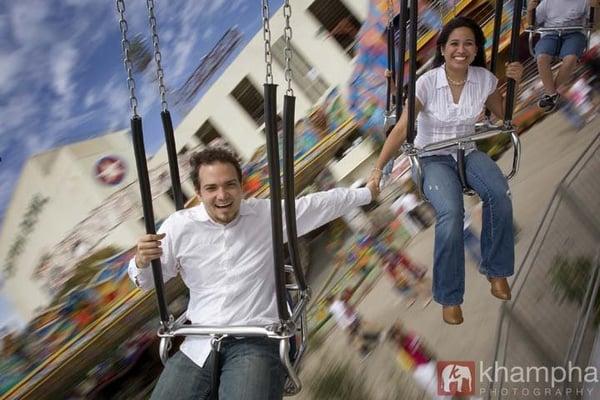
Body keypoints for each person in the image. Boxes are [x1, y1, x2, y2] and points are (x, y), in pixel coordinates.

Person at [129, 147, 379, 400]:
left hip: (254, 340)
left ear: (242, 186)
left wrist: (366, 193)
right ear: (198, 193)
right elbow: (148, 282)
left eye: (230, 185)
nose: (222, 195)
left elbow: (318, 205)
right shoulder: (178, 227)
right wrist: (140, 261)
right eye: (211, 188)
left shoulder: (265, 215)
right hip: (199, 344)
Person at [368, 17, 523, 325]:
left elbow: (504, 116)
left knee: (499, 193)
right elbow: (401, 129)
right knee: (451, 213)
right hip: (432, 159)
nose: (461, 50)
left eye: (468, 43)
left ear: (477, 49)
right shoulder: (427, 83)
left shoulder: (483, 78)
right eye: (454, 43)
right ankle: (450, 297)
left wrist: (512, 82)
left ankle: (497, 271)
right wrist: (377, 169)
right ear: (443, 49)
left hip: (466, 152)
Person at [527, 0, 599, 113]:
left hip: (574, 33)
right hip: (550, 34)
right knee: (541, 58)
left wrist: (595, 7)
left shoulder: (584, 2)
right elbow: (532, 24)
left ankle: (551, 94)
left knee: (570, 59)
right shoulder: (547, 3)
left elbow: (592, 24)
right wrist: (530, 10)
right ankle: (552, 94)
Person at [325, 289, 382, 360]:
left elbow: (339, 318)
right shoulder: (338, 303)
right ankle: (373, 341)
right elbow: (345, 312)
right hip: (351, 320)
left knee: (356, 337)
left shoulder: (331, 309)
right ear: (333, 297)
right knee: (358, 334)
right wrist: (354, 316)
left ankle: (367, 348)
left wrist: (345, 327)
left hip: (346, 324)